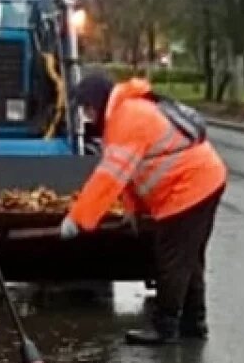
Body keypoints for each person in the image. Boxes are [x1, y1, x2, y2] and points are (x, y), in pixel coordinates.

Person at [60, 72, 227, 346]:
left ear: (98, 102)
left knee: (171, 258)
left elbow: (109, 177)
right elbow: (132, 172)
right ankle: (193, 323)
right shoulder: (129, 111)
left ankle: (165, 327)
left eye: (87, 108)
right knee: (189, 258)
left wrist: (77, 218)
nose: (87, 116)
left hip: (189, 189)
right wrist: (132, 210)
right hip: (204, 181)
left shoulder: (126, 119)